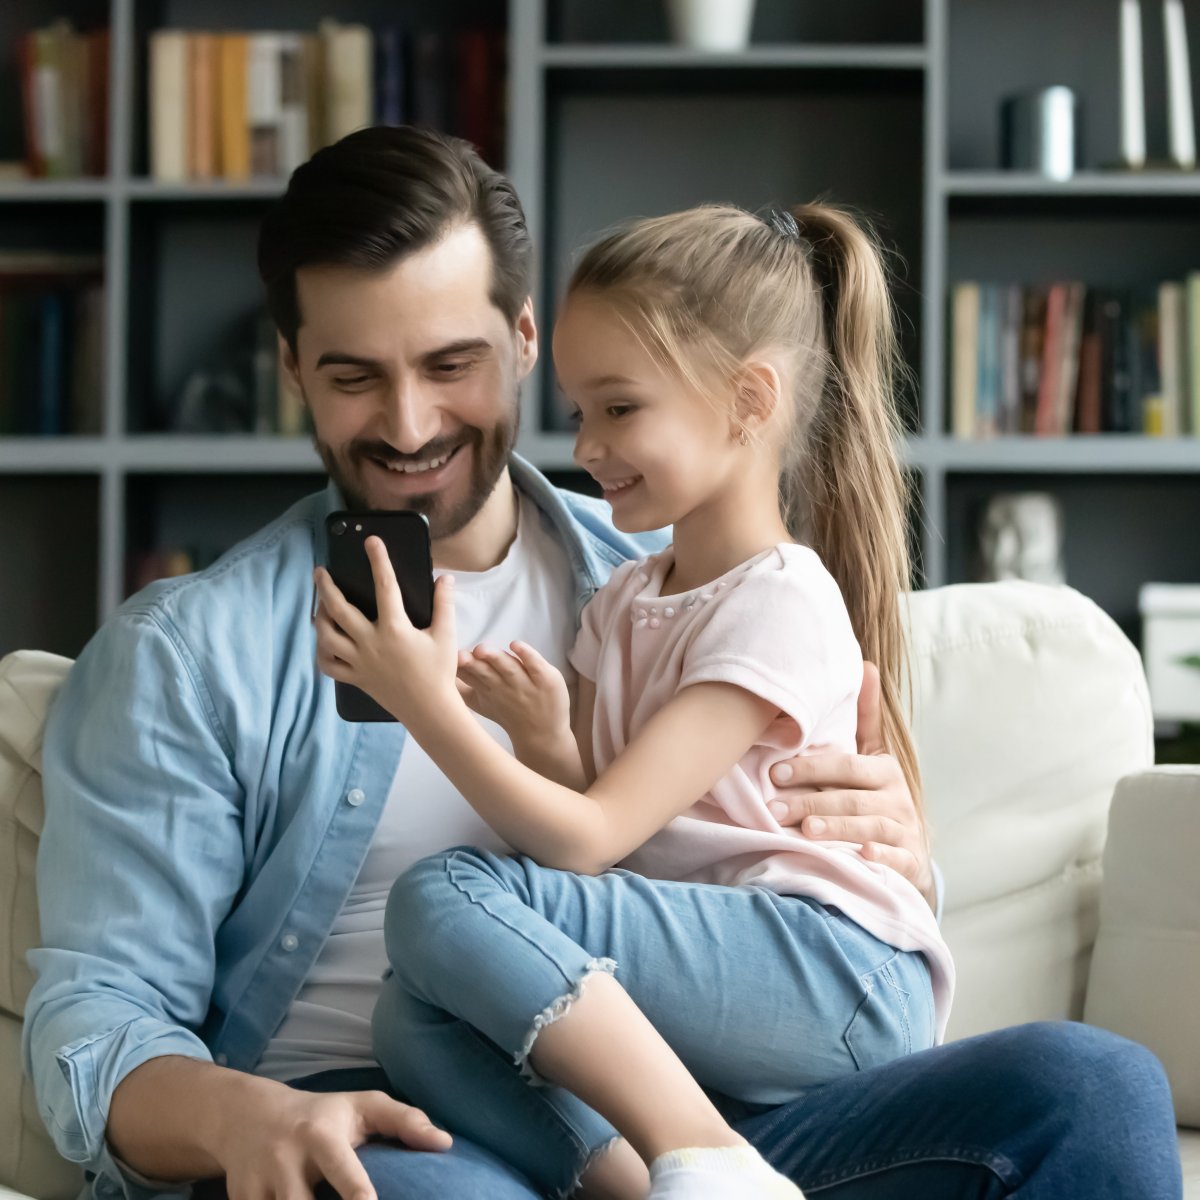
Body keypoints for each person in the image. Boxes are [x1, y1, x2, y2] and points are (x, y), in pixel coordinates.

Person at [20, 125, 1180, 1200]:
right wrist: (238, 1120)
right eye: (354, 376)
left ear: (529, 341)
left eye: (451, 363)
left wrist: (893, 842)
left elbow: (783, 917)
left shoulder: (671, 578)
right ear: (293, 369)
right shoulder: (188, 654)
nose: (412, 423)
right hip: (411, 1120)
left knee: (1091, 1090)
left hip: (715, 1102)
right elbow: (99, 1020)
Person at [309, 198, 956, 1200]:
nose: (587, 445)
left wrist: (424, 701)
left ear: (749, 400)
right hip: (718, 963)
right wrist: (548, 742)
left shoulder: (780, 600)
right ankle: (635, 1185)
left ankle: (711, 1157)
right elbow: (625, 825)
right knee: (412, 1013)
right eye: (578, 411)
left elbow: (590, 841)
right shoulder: (623, 601)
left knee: (440, 896)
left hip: (832, 973)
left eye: (621, 407)